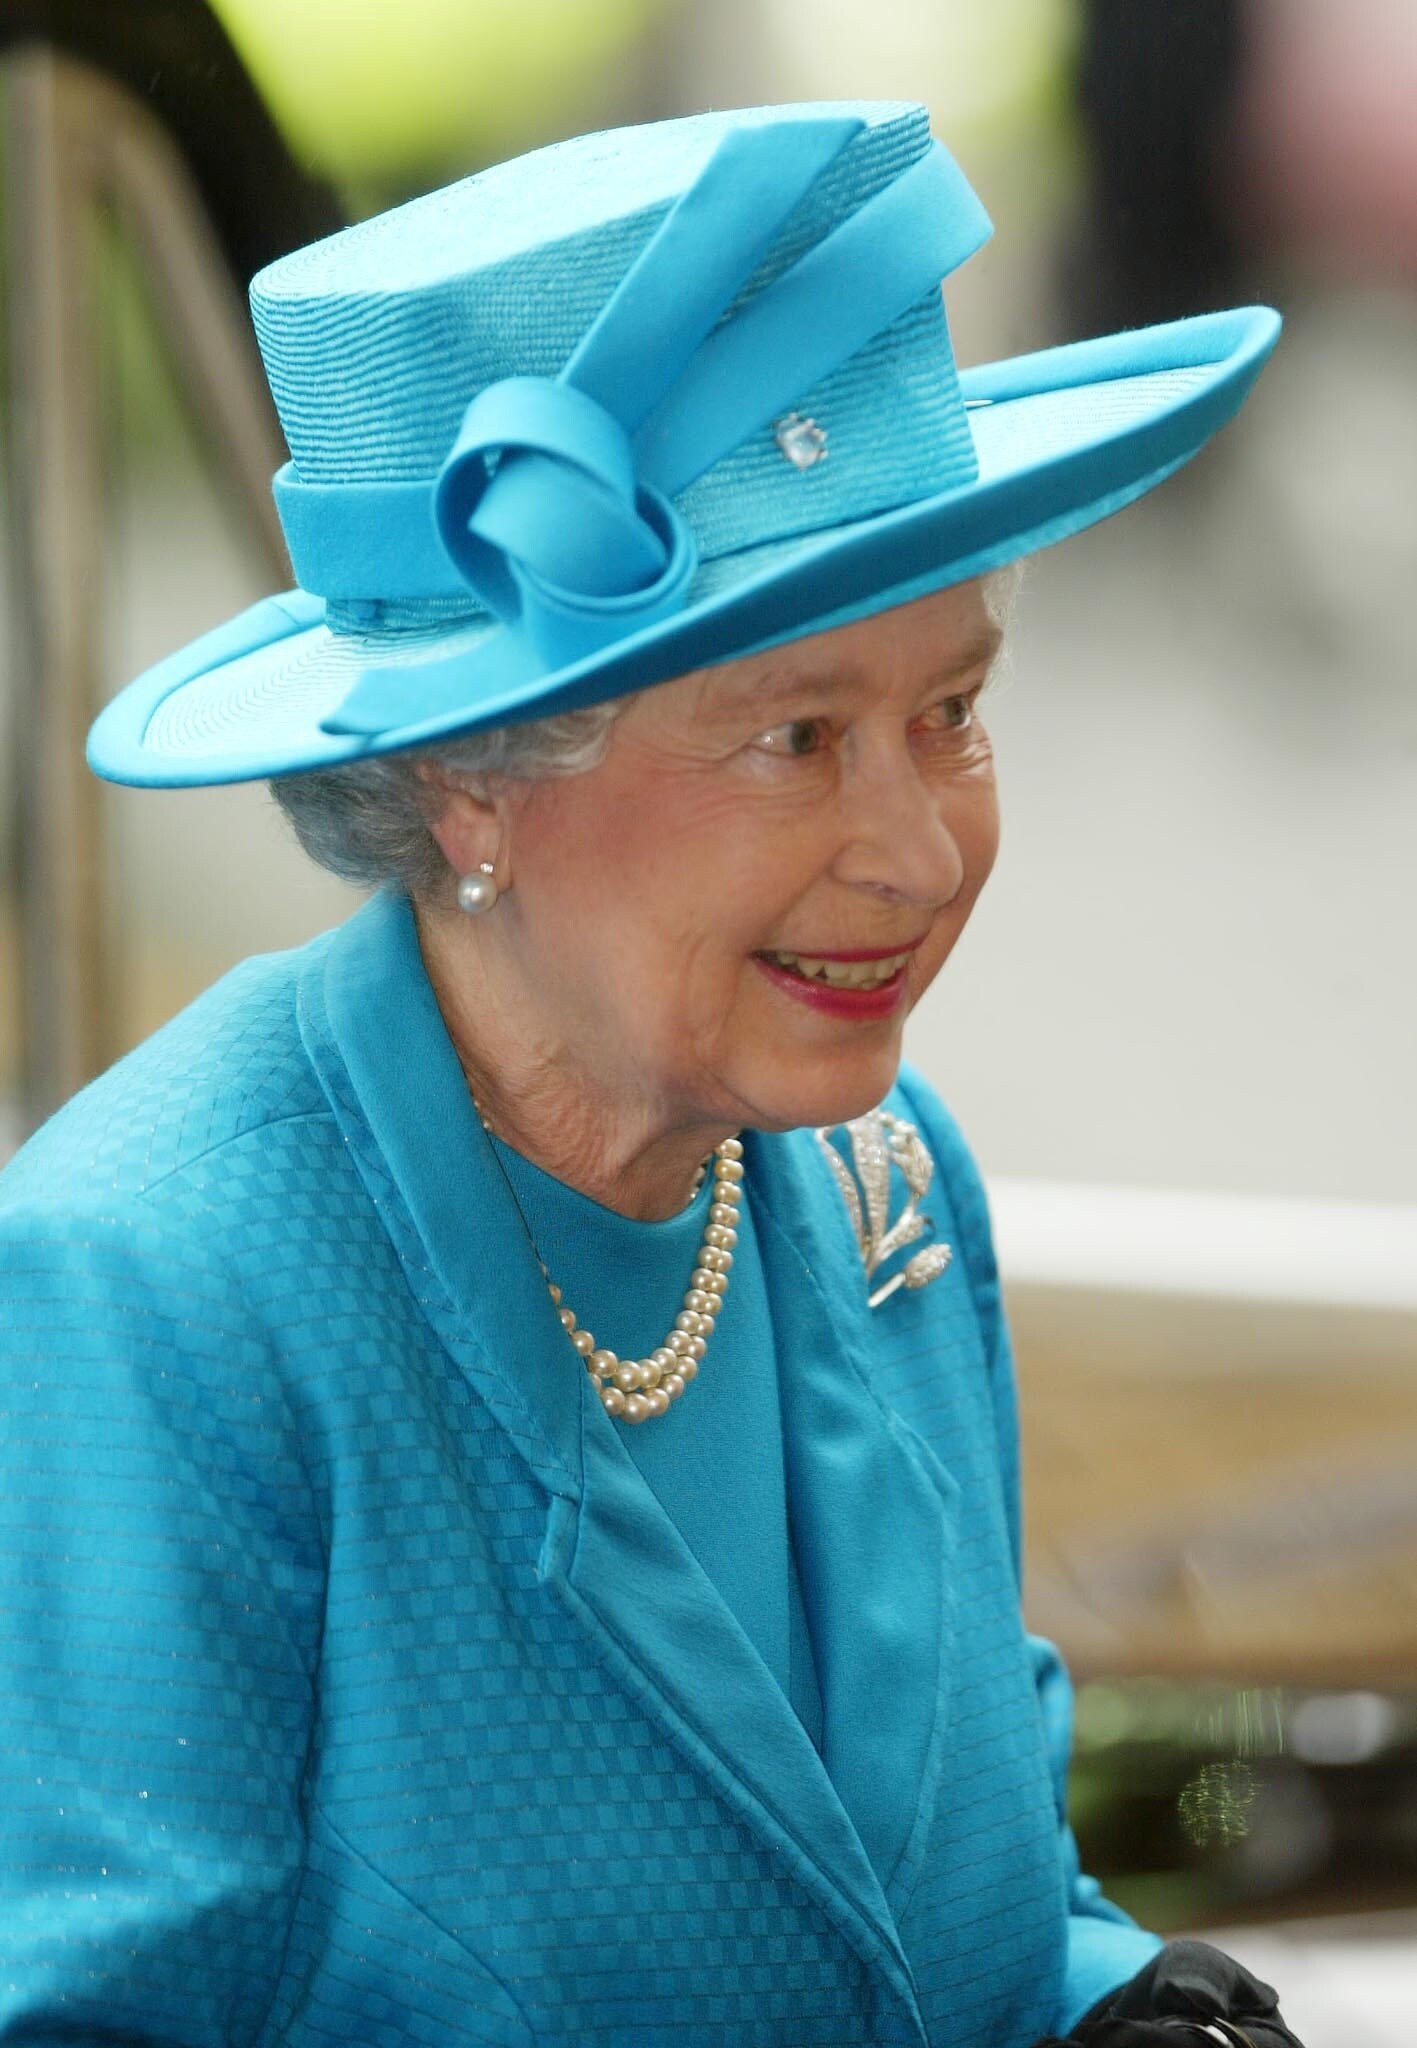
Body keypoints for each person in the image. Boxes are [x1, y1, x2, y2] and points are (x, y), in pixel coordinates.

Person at [0, 100, 1301, 2047]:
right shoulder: (161, 1295)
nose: (920, 852)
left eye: (952, 709)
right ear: (469, 783)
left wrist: (1116, 2004)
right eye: (795, 737)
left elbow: (963, 1902)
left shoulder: (881, 1187)